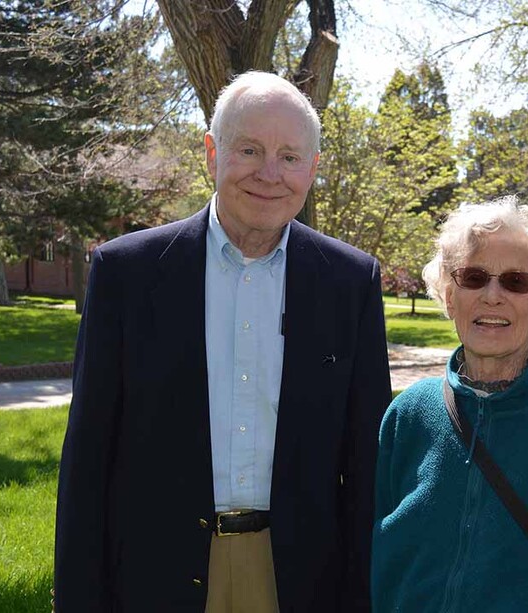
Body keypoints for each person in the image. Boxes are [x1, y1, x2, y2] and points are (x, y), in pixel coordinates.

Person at [54, 71, 391, 611]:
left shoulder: (351, 282)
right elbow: (88, 461)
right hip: (156, 573)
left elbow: (366, 465)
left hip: (300, 578)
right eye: (249, 149)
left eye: (289, 156)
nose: (269, 173)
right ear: (211, 153)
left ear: (313, 169)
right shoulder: (126, 275)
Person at [371, 197, 528, 612]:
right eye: (473, 277)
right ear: (450, 296)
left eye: (516, 281)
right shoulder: (407, 416)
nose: (492, 296)